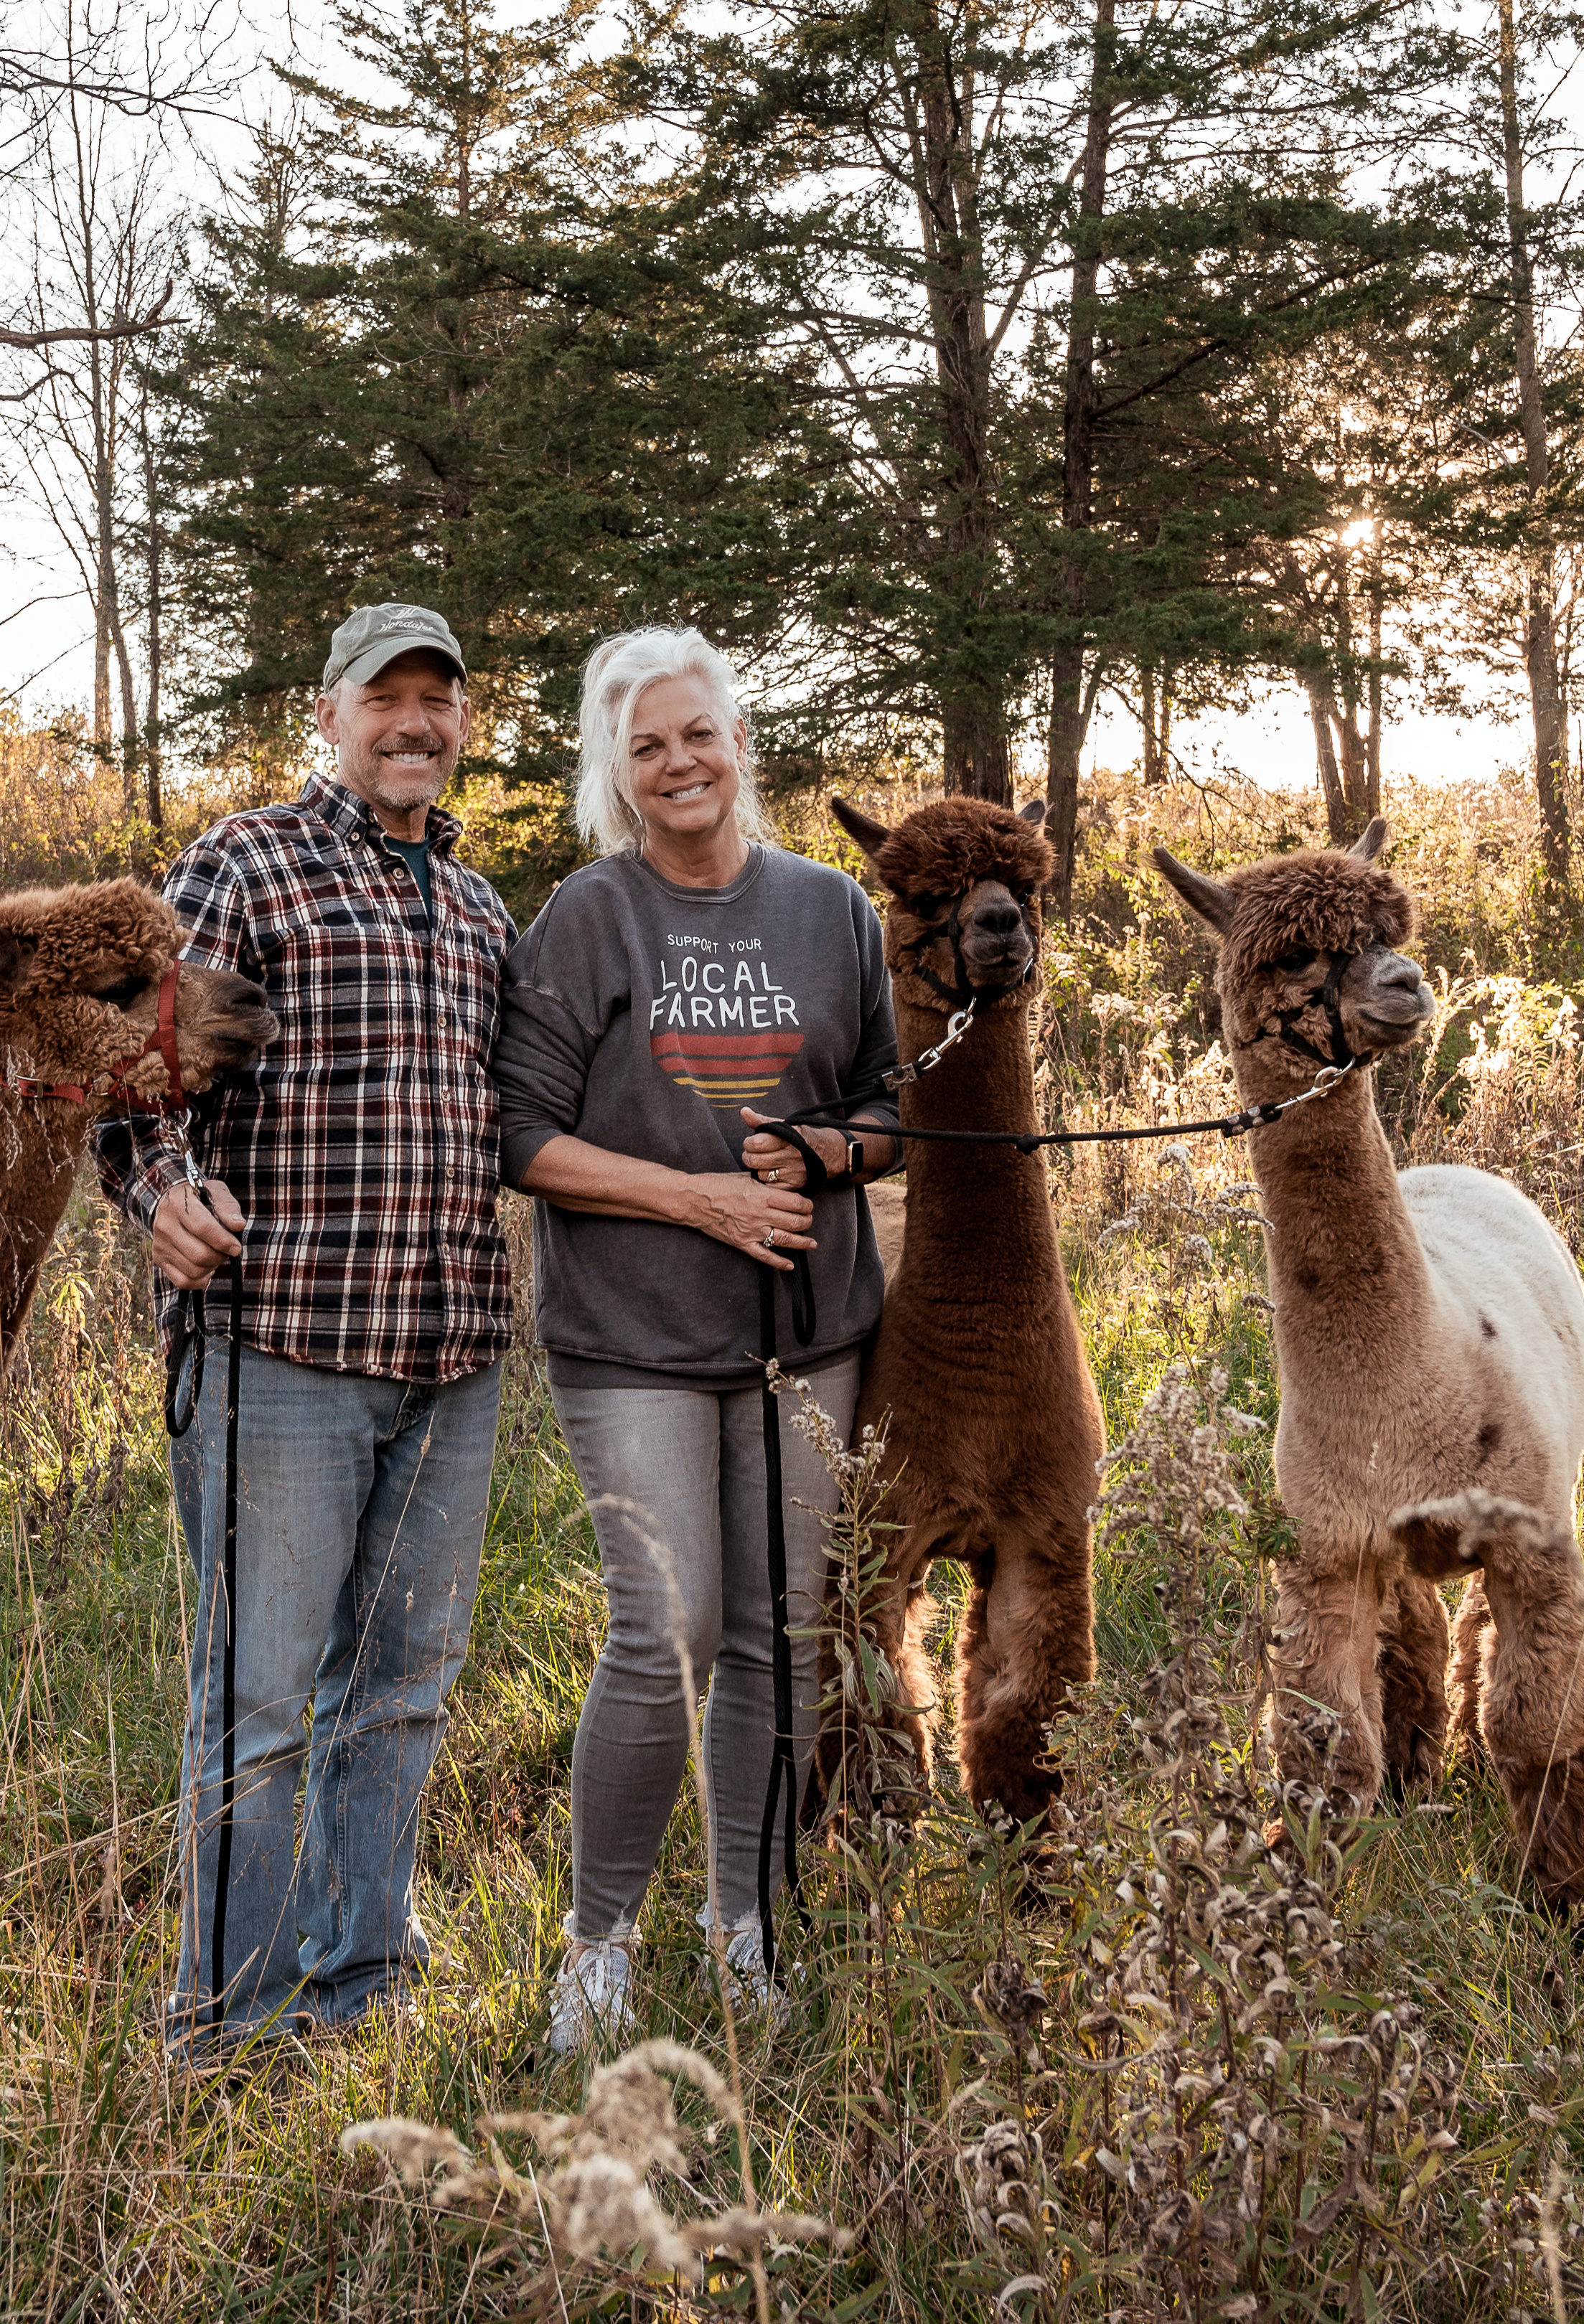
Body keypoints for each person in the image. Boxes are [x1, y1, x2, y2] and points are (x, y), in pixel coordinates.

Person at [97, 603, 516, 2051]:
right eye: (384, 697)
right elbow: (131, 1079)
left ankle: (359, 1988)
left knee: (399, 1696)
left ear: (464, 726)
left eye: (438, 702)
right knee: (262, 1702)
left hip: (451, 1357)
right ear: (329, 717)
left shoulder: (477, 909)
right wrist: (161, 1193)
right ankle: (223, 2018)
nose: (414, 724)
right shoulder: (245, 863)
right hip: (278, 1348)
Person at [492, 625, 903, 2051]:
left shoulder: (832, 911)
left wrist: (828, 1158)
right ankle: (594, 1949)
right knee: (660, 1633)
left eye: (698, 734)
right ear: (619, 773)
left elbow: (896, 1107)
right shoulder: (588, 919)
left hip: (807, 1333)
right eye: (646, 745)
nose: (679, 763)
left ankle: (746, 1930)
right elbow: (521, 1137)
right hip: (632, 1337)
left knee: (778, 1641)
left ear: (740, 745)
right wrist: (702, 1201)